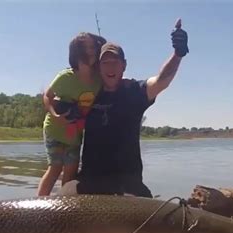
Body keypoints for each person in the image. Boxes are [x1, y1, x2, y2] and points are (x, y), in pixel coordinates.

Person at [60, 19, 189, 197]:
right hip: (90, 179)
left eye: (115, 62)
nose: (110, 67)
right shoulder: (88, 94)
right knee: (64, 196)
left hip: (128, 183)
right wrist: (63, 106)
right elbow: (59, 97)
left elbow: (161, 80)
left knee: (146, 216)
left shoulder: (134, 91)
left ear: (124, 65)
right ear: (98, 67)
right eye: (105, 63)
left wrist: (178, 54)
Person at [37, 32, 106, 196]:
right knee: (55, 168)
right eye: (87, 47)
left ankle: (64, 209)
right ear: (77, 53)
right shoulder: (65, 77)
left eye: (94, 47)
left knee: (70, 173)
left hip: (75, 133)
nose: (92, 51)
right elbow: (48, 96)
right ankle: (38, 208)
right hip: (54, 129)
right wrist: (55, 115)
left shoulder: (99, 80)